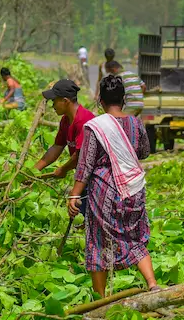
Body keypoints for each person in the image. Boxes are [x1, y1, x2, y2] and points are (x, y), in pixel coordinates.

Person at [68, 75, 158, 297]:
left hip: (104, 192)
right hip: (133, 190)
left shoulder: (95, 127)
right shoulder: (136, 123)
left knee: (98, 243)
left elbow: (85, 165)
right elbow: (144, 152)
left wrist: (74, 195)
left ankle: (101, 300)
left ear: (100, 100)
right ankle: (153, 284)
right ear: (124, 99)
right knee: (134, 238)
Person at [34, 80, 95, 213]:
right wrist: (34, 171)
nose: (52, 105)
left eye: (54, 101)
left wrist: (63, 169)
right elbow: (57, 146)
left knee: (87, 219)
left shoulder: (84, 121)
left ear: (65, 101)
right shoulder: (66, 120)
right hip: (83, 174)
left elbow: (80, 156)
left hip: (96, 178)